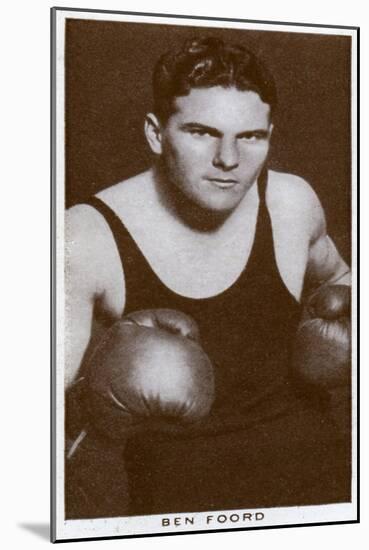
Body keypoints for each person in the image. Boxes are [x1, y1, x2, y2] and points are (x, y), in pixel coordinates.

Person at [65, 37, 351, 517]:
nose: (228, 160)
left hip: (328, 488)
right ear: (157, 134)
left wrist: (343, 327)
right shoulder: (86, 236)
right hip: (185, 514)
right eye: (201, 132)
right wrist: (98, 406)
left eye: (251, 136)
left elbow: (340, 279)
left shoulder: (290, 202)